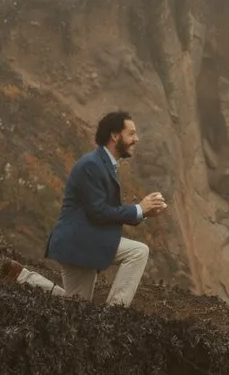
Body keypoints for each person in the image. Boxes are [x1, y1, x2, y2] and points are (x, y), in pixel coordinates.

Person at [43, 110, 167, 305]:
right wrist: (139, 209)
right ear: (114, 136)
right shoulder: (91, 165)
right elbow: (99, 212)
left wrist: (144, 212)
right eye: (132, 133)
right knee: (138, 252)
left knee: (75, 307)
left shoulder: (103, 164)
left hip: (82, 242)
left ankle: (23, 278)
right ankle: (114, 313)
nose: (137, 139)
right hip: (79, 242)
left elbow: (104, 212)